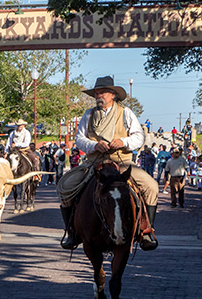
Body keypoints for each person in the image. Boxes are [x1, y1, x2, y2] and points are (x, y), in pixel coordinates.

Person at [58, 76, 158, 251]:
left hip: (122, 162)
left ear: (112, 94)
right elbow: (79, 139)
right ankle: (71, 232)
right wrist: (94, 145)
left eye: (102, 92)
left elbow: (138, 136)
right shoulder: (88, 114)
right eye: (96, 93)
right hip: (95, 162)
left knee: (151, 187)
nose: (98, 96)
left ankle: (146, 232)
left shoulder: (125, 112)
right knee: (66, 185)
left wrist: (123, 142)